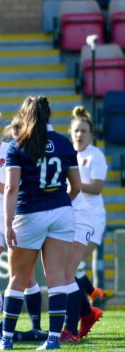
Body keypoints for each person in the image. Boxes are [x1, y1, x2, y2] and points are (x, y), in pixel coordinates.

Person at [0, 96, 81, 351]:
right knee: (56, 279)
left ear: (24, 116)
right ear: (49, 115)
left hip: (29, 213)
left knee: (18, 279)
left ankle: (7, 339)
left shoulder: (18, 145)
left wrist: (7, 223)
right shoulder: (64, 143)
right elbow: (76, 187)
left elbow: (11, 188)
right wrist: (57, 204)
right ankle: (53, 340)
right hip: (62, 212)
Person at [0, 111, 45, 337]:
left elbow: (17, 189)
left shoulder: (12, 152)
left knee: (26, 275)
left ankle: (35, 327)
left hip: (17, 218)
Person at [66, 106, 105, 339]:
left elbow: (98, 187)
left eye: (83, 130)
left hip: (92, 219)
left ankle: (80, 317)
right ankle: (90, 305)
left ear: (90, 134)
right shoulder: (70, 154)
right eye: (76, 131)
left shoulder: (95, 155)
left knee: (69, 268)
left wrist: (74, 184)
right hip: (72, 217)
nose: (79, 135)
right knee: (72, 268)